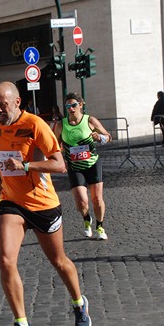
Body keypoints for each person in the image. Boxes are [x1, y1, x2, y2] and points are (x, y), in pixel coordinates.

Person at [0, 81, 92, 326]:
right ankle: (22, 325)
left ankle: (79, 303)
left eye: (3, 105)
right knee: (6, 261)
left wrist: (27, 164)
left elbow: (60, 164)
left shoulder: (35, 125)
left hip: (43, 204)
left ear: (17, 102)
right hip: (12, 202)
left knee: (58, 260)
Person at [54, 92, 111, 241]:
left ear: (80, 105)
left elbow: (108, 136)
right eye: (68, 106)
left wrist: (100, 138)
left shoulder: (90, 120)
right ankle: (87, 219)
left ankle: (100, 226)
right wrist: (59, 153)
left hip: (92, 163)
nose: (71, 109)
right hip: (74, 166)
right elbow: (54, 145)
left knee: (97, 199)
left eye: (73, 105)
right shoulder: (61, 124)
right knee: (81, 200)